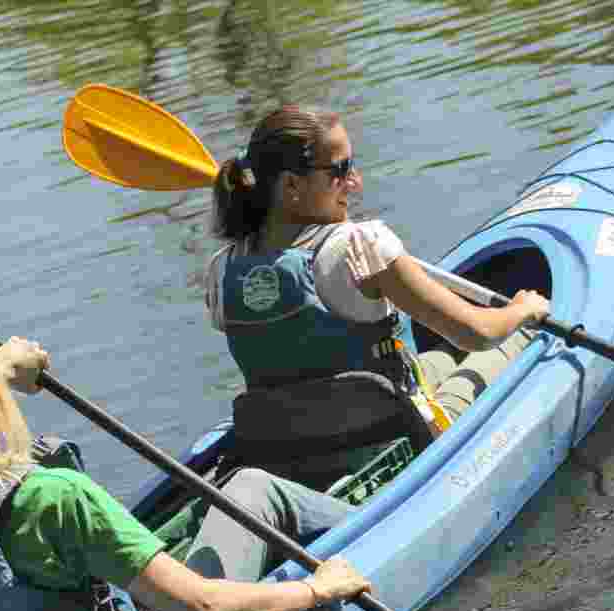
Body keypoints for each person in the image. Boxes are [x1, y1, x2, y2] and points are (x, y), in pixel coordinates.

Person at [0, 302, 368, 611]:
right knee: (253, 487)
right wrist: (314, 590)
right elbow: (206, 609)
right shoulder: (56, 497)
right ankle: (378, 524)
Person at [204, 105, 550, 472]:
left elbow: (292, 337)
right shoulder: (362, 247)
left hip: (292, 449)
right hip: (392, 441)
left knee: (440, 360)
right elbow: (478, 333)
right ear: (291, 185)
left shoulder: (222, 270)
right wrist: (521, 309)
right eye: (340, 170)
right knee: (511, 339)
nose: (355, 182)